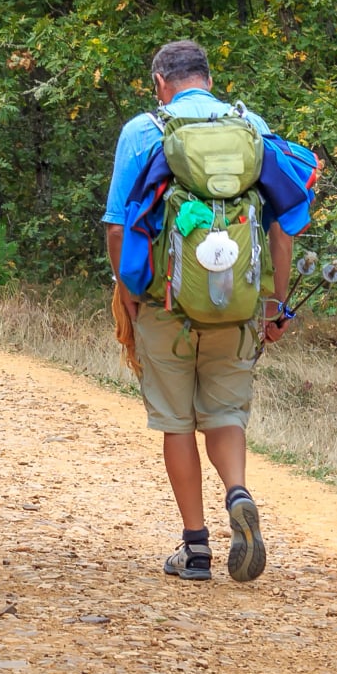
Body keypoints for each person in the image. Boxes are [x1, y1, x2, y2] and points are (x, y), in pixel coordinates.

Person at [105, 40, 300, 583]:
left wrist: (128, 295)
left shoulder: (145, 130)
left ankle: (195, 548)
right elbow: (282, 226)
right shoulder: (250, 127)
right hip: (237, 304)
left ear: (160, 82)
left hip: (165, 303)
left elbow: (119, 227)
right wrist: (274, 304)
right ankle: (237, 491)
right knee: (226, 414)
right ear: (209, 80)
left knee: (176, 421)